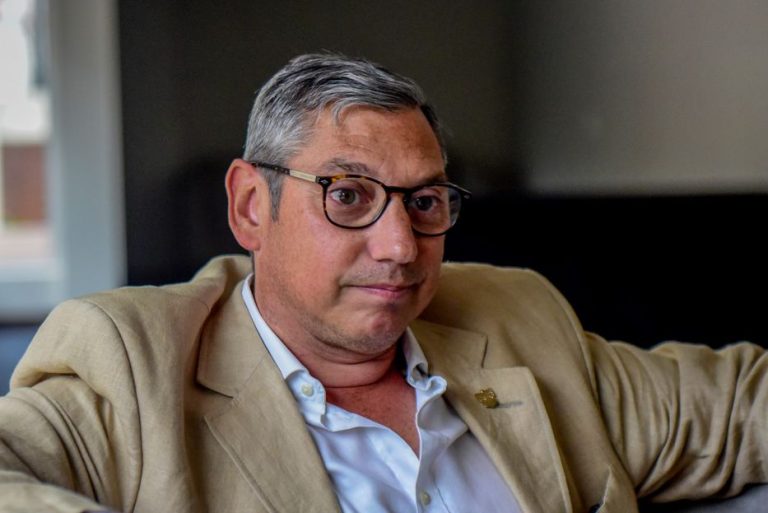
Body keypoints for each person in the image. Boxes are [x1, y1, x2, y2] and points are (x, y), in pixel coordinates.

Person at [1, 52, 767, 513]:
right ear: (251, 206)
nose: (401, 246)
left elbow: (740, 404)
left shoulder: (514, 316)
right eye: (347, 195)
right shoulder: (132, 363)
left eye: (425, 201)